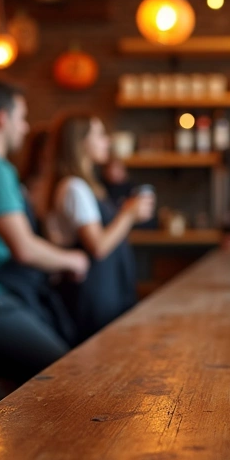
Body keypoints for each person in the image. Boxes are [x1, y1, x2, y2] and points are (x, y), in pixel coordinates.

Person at [0, 80, 89, 382]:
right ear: (2, 118)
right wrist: (72, 259)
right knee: (66, 373)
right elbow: (23, 247)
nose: (24, 128)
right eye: (21, 118)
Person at [46, 114, 154, 340]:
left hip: (104, 292)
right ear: (80, 142)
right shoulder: (74, 187)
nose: (108, 141)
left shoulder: (85, 185)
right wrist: (128, 214)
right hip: (91, 298)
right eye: (100, 135)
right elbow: (98, 246)